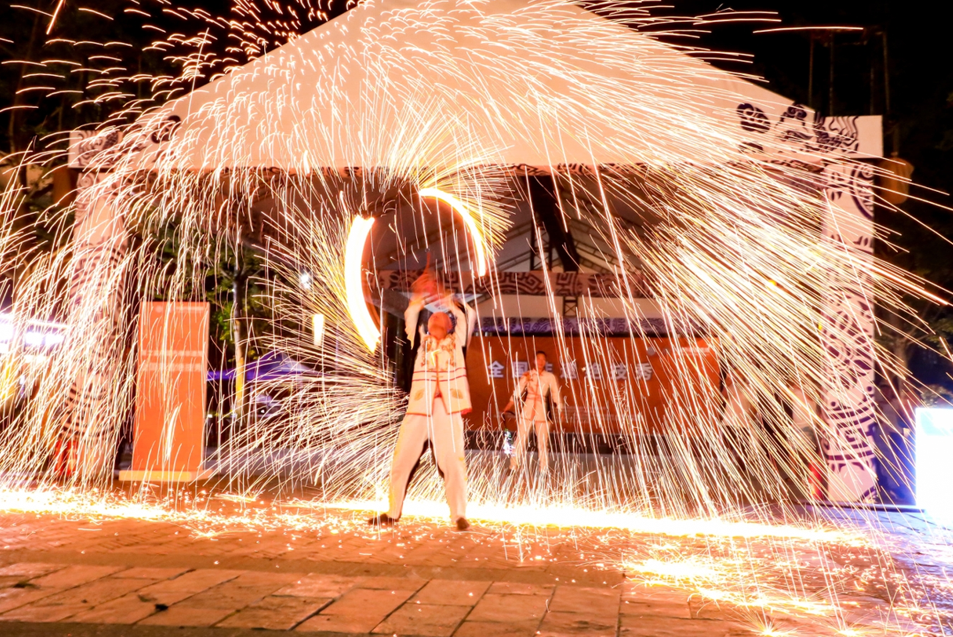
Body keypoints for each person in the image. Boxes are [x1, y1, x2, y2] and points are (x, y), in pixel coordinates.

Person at [369, 271, 476, 531]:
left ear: (450, 325)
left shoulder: (457, 342)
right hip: (418, 408)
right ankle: (392, 512)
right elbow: (410, 314)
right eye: (432, 316)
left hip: (446, 409)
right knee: (402, 458)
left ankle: (459, 515)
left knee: (452, 461)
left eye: (440, 315)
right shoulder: (419, 340)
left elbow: (467, 315)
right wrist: (419, 295)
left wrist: (446, 298)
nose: (434, 316)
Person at [502, 351, 563, 475]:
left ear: (545, 362)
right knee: (520, 439)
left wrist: (560, 409)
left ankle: (543, 469)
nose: (540, 362)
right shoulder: (528, 375)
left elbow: (556, 393)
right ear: (534, 360)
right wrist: (510, 403)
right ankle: (513, 466)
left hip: (542, 411)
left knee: (543, 442)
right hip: (527, 410)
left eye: (543, 359)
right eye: (538, 359)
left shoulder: (549, 376)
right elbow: (518, 389)